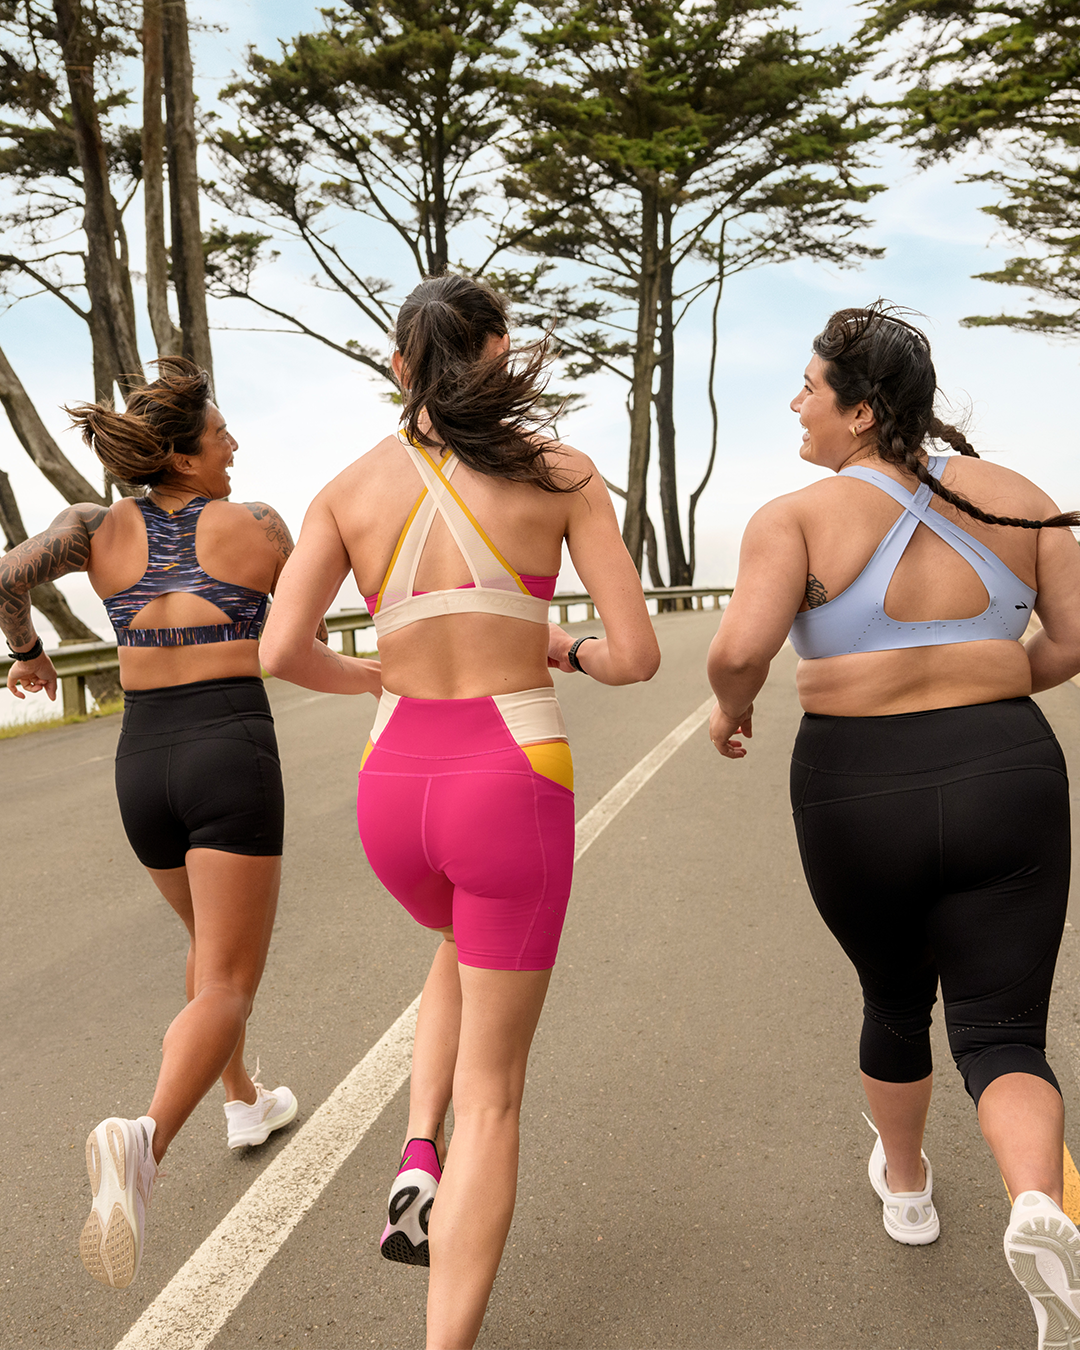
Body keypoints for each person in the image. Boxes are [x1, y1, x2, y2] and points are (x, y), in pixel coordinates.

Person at [260, 273, 660, 1350]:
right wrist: (560, 645)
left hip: (394, 790)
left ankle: (418, 1148)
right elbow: (635, 657)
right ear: (499, 351)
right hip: (511, 777)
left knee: (452, 941)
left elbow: (280, 650)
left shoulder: (345, 491)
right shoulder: (562, 476)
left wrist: (376, 682)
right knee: (502, 1093)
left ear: (401, 366)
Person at [706, 304, 1080, 1348]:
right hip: (1011, 769)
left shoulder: (796, 516)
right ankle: (1035, 1206)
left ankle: (908, 1190)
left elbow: (739, 650)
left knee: (893, 996)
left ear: (861, 412)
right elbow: (1075, 640)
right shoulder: (1021, 499)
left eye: (811, 388)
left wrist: (731, 710)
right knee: (1003, 1030)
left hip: (856, 784)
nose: (795, 402)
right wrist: (992, 676)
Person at [0, 358, 300, 1290]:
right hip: (230, 750)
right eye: (222, 436)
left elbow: (6, 576)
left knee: (208, 952)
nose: (235, 446)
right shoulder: (258, 527)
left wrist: (29, 653)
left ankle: (244, 1101)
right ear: (184, 452)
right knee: (229, 984)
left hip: (143, 763)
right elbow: (303, 636)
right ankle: (142, 1142)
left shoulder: (94, 528)